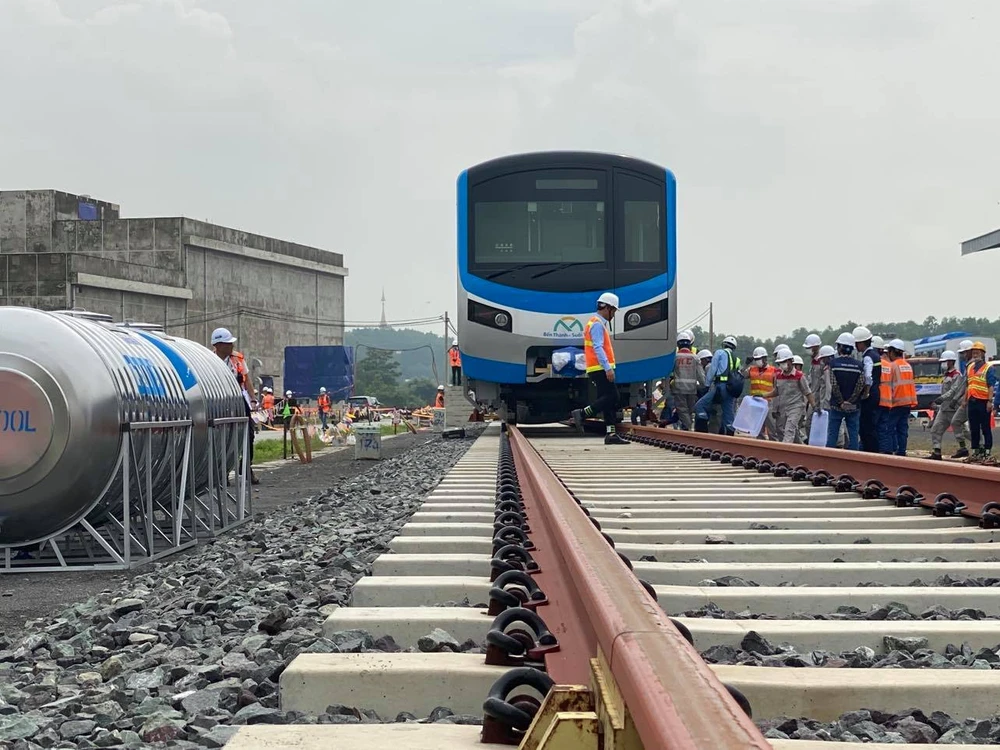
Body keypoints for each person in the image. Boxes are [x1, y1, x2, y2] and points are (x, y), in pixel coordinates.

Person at [571, 292, 627, 445]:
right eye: (614, 311)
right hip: (599, 368)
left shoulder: (596, 322)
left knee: (608, 402)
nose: (614, 314)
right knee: (613, 397)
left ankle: (611, 434)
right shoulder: (597, 324)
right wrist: (608, 368)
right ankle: (582, 413)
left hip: (597, 367)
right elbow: (598, 347)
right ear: (607, 308)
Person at [211, 327, 259, 485]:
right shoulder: (208, 359)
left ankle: (246, 468)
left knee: (248, 433)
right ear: (218, 345)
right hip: (219, 401)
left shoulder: (237, 358)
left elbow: (247, 380)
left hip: (239, 399)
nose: (231, 346)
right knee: (221, 436)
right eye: (227, 343)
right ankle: (222, 471)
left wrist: (253, 399)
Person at [766, 349, 816, 443]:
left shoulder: (799, 376)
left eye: (784, 362)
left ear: (790, 361)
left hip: (795, 407)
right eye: (780, 362)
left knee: (789, 429)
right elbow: (777, 391)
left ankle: (785, 452)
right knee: (780, 430)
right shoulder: (779, 376)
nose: (782, 364)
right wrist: (763, 395)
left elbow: (807, 392)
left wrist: (814, 406)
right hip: (783, 408)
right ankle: (799, 449)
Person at [695, 335, 741, 435]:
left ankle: (702, 431)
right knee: (728, 414)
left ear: (724, 344)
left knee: (700, 406)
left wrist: (707, 385)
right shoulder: (736, 359)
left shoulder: (720, 353)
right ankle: (729, 436)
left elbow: (712, 370)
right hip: (731, 389)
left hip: (720, 386)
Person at [878, 339, 917, 456]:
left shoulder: (893, 366)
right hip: (908, 402)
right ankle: (902, 451)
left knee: (889, 429)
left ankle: (889, 451)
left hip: (896, 402)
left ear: (892, 352)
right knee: (902, 429)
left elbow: (890, 385)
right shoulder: (908, 366)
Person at [827, 333, 865, 450]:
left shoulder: (833, 364)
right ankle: (854, 460)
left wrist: (841, 402)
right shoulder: (859, 366)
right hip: (853, 406)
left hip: (836, 406)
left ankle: (829, 460)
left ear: (840, 347)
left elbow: (834, 385)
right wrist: (850, 401)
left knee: (832, 434)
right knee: (853, 435)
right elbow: (860, 385)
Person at [928, 350, 967, 460]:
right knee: (935, 430)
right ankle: (937, 452)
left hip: (953, 408)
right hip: (944, 409)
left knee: (964, 432)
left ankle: (975, 448)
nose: (943, 364)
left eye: (945, 362)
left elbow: (954, 391)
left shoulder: (957, 375)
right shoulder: (946, 376)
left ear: (951, 361)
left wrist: (941, 398)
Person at [964, 341, 997, 463]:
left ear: (983, 353)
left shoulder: (988, 368)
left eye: (977, 352)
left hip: (983, 402)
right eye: (974, 352)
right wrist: (965, 400)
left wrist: (990, 401)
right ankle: (975, 451)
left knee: (985, 428)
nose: (975, 354)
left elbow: (991, 386)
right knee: (974, 428)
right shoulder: (970, 368)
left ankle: (987, 452)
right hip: (972, 401)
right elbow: (969, 385)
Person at [853, 326, 882, 453]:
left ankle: (871, 452)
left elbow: (868, 377)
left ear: (861, 343)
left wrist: (866, 392)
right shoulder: (876, 355)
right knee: (871, 425)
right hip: (876, 393)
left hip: (870, 396)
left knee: (866, 427)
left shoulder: (868, 357)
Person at [670, 329, 704, 431]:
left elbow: (668, 372)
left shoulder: (675, 357)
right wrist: (703, 386)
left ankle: (688, 428)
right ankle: (687, 428)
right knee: (689, 410)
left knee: (682, 410)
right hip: (692, 389)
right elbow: (701, 375)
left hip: (679, 389)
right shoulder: (695, 357)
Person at [946, 339, 975, 459]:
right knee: (956, 422)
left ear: (970, 351)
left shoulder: (972, 366)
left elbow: (965, 385)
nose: (962, 355)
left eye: (964, 353)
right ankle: (963, 447)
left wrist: (956, 398)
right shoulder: (967, 366)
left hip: (970, 400)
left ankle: (980, 447)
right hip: (965, 400)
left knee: (974, 426)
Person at [745, 346, 778, 440]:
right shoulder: (751, 369)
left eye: (759, 359)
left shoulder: (773, 371)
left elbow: (777, 388)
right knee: (758, 430)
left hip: (768, 402)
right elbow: (741, 375)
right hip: (755, 402)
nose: (757, 361)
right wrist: (746, 364)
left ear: (765, 358)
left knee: (772, 429)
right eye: (756, 359)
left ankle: (775, 448)